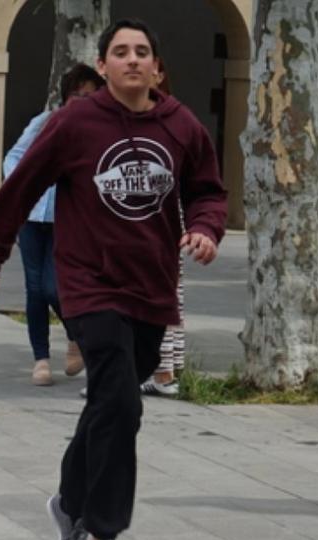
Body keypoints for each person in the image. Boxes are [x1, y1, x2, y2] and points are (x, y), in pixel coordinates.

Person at [0, 19, 227, 540]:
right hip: (88, 284)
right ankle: (105, 539)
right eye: (120, 52)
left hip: (151, 289)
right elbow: (21, 186)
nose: (132, 60)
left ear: (157, 68)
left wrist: (207, 229)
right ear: (105, 67)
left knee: (110, 406)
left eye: (142, 52)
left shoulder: (182, 125)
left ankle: (69, 503)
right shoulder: (75, 123)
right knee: (123, 406)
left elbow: (207, 190)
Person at [4, 64, 101, 386]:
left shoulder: (98, 130)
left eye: (91, 96)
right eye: (77, 95)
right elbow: (13, 157)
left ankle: (77, 337)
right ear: (65, 96)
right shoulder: (44, 122)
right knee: (33, 289)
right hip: (31, 216)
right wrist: (25, 183)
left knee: (52, 286)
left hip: (67, 218)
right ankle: (41, 359)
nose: (83, 101)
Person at [143, 57, 184, 397]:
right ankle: (155, 369)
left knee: (167, 297)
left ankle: (165, 371)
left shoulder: (176, 121)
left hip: (166, 224)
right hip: (135, 224)